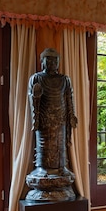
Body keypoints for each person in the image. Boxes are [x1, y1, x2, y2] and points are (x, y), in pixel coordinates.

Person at [26, 48, 78, 201]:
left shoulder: (64, 79)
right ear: (42, 62)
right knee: (44, 145)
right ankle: (43, 169)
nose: (51, 63)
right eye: (48, 60)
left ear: (58, 63)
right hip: (44, 119)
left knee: (60, 145)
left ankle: (60, 168)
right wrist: (35, 97)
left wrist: (71, 116)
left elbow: (69, 99)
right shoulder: (36, 78)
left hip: (60, 118)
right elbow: (32, 98)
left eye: (54, 61)